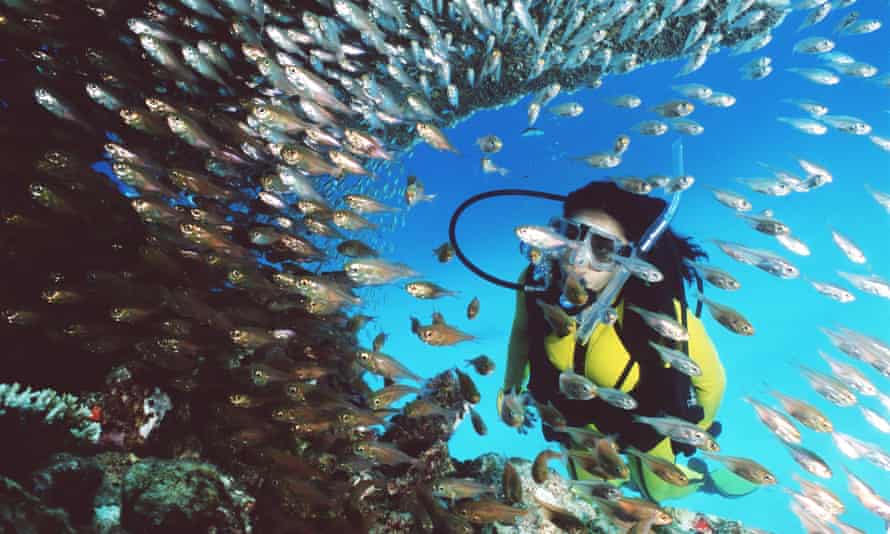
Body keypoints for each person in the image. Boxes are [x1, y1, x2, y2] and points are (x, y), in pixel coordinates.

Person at [499, 180, 759, 503]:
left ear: (625, 259)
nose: (577, 258)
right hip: (576, 422)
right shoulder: (535, 287)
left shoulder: (657, 315)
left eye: (602, 248)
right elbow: (522, 332)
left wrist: (692, 432)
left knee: (660, 488)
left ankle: (704, 479)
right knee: (596, 496)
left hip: (642, 427)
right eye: (570, 234)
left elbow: (713, 380)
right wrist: (509, 388)